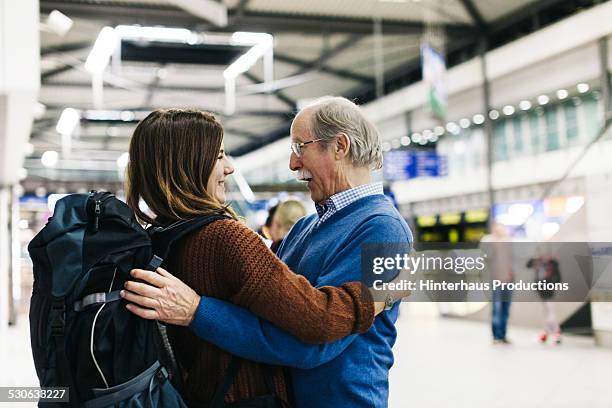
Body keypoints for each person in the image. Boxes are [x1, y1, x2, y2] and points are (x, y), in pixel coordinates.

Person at [123, 97, 413, 407]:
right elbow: (279, 315)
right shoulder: (303, 228)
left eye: (300, 147)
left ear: (340, 146)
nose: (292, 164)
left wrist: (198, 311)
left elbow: (312, 346)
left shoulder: (384, 231)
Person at [481, 222, 514, 344]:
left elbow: (513, 259)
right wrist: (495, 243)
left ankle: (503, 335)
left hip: (508, 281)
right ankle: (496, 336)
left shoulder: (508, 241)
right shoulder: (488, 241)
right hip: (495, 282)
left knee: (505, 309)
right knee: (496, 308)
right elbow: (485, 256)